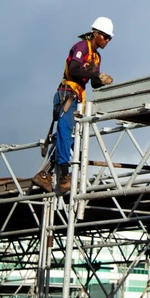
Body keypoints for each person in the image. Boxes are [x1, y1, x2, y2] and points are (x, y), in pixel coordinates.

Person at [33, 17, 114, 194]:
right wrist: (97, 75)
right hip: (66, 95)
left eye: (109, 38)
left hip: (77, 98)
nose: (107, 40)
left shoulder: (96, 57)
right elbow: (75, 69)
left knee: (72, 139)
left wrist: (101, 80)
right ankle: (64, 176)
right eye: (105, 36)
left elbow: (92, 83)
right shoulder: (82, 47)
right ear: (96, 33)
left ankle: (45, 173)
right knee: (65, 133)